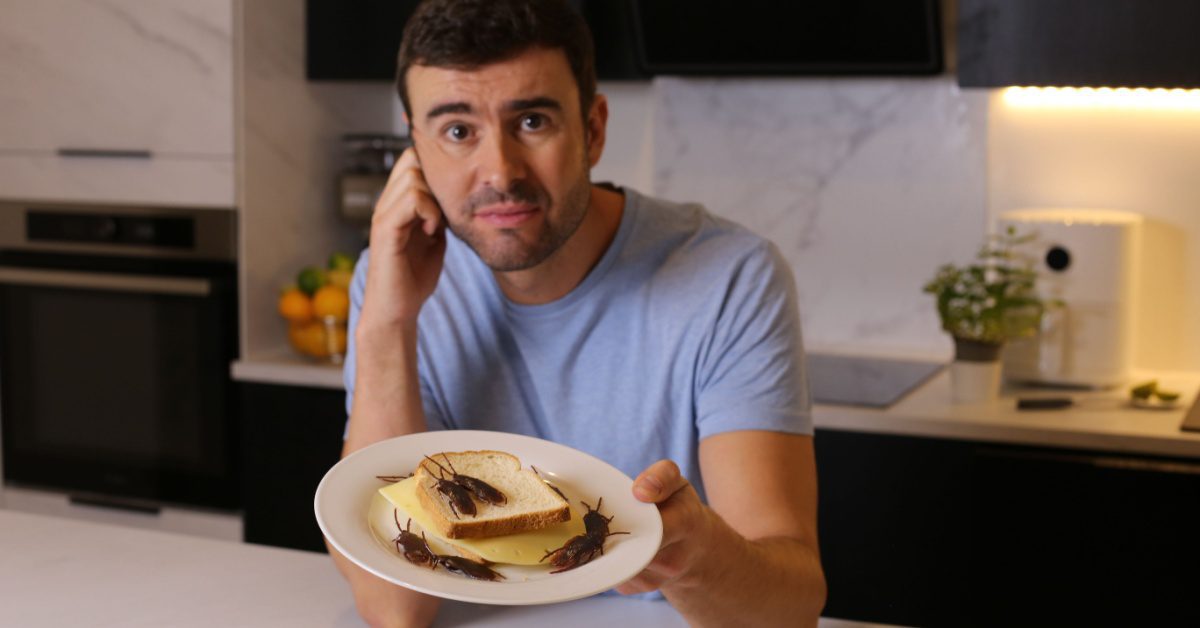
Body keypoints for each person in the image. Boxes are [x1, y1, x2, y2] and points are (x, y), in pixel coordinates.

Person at [330, 0, 826, 626]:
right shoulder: (390, 279)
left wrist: (694, 552)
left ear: (592, 127)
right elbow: (394, 607)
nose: (501, 172)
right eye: (458, 132)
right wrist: (387, 323)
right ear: (416, 148)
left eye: (532, 121)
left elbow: (792, 607)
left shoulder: (730, 277)